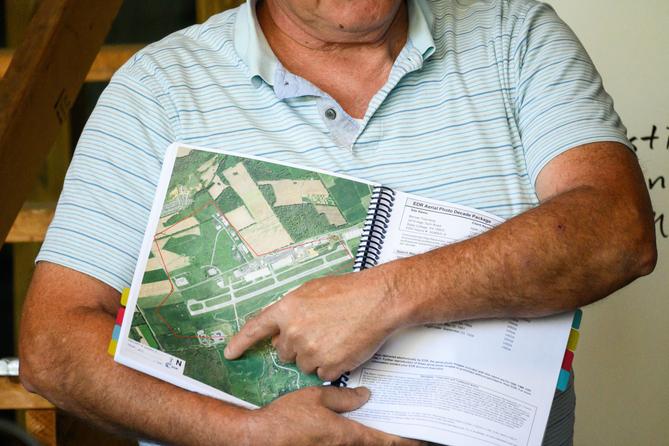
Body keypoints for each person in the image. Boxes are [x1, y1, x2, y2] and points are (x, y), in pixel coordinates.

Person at [19, 0, 656, 445]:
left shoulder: (516, 37)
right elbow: (54, 341)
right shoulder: (157, 89)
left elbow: (618, 229)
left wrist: (385, 298)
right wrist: (244, 436)